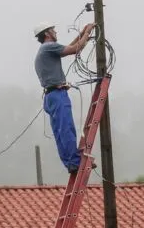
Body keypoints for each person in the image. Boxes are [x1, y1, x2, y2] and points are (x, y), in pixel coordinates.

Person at [33, 22, 98, 174]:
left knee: (60, 131)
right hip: (57, 95)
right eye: (53, 30)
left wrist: (82, 34)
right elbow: (74, 49)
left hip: (51, 96)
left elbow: (68, 47)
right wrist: (88, 32)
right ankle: (75, 162)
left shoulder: (45, 49)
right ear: (47, 33)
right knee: (66, 128)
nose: (56, 32)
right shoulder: (48, 47)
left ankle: (71, 162)